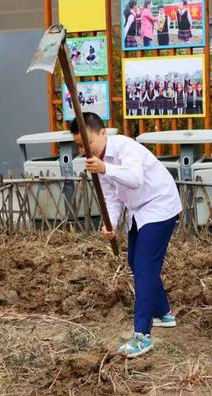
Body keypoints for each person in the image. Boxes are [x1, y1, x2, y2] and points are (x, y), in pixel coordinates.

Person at [70, 113, 182, 358]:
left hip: (159, 204)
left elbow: (134, 179)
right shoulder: (97, 163)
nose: (83, 150)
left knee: (144, 269)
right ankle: (163, 312)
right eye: (79, 145)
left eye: (86, 143)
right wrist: (109, 223)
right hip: (138, 210)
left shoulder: (125, 148)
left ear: (103, 133)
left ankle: (142, 335)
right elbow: (112, 197)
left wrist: (106, 168)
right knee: (135, 263)